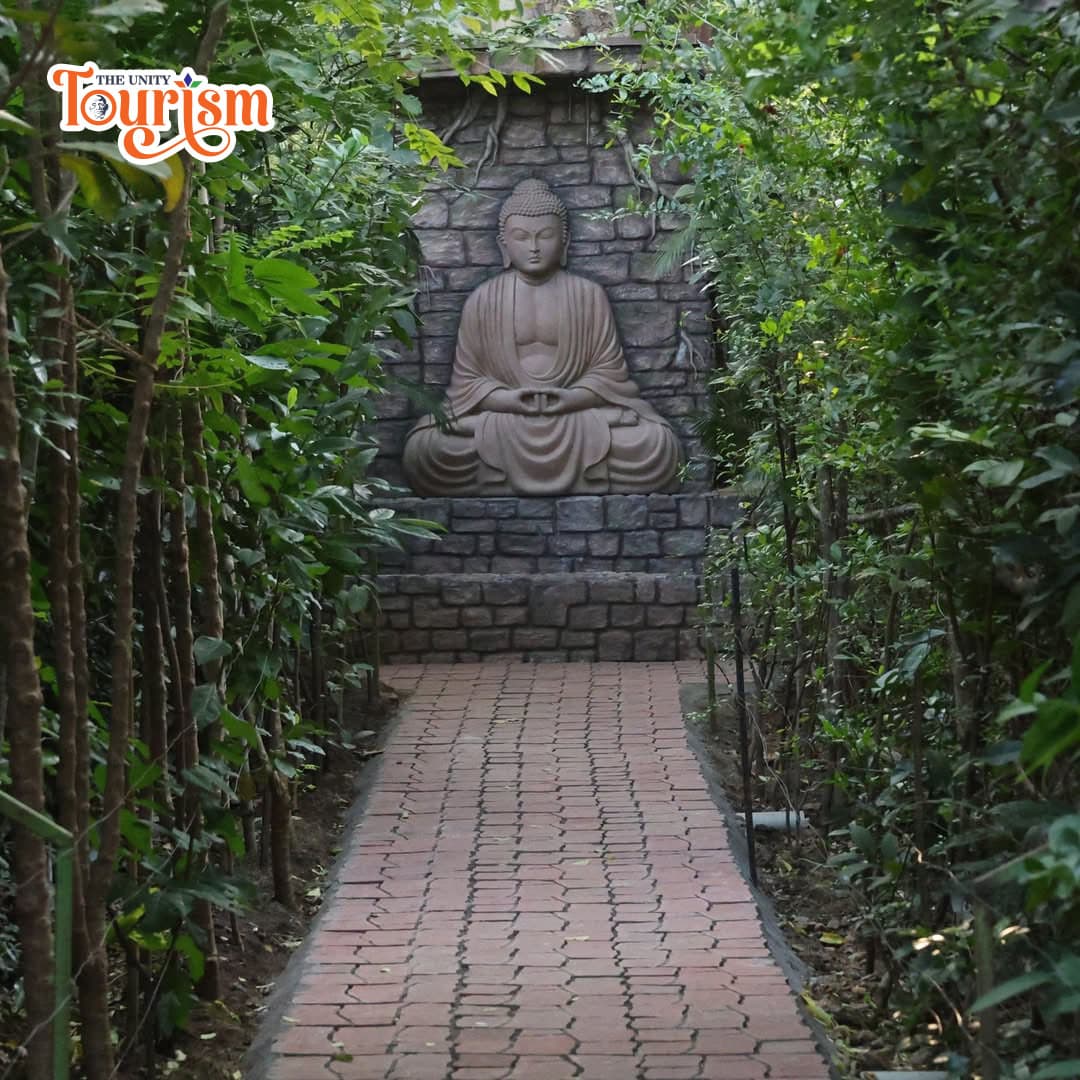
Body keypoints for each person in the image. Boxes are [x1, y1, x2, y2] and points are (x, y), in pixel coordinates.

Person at [402, 178, 681, 496]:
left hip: (575, 416)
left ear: (565, 241)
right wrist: (507, 400)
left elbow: (608, 373)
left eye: (545, 235)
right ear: (503, 243)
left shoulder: (588, 295)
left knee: (657, 444)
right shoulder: (483, 299)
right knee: (423, 450)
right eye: (521, 237)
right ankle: (586, 472)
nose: (533, 247)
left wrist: (571, 399)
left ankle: (496, 474)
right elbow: (467, 383)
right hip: (506, 417)